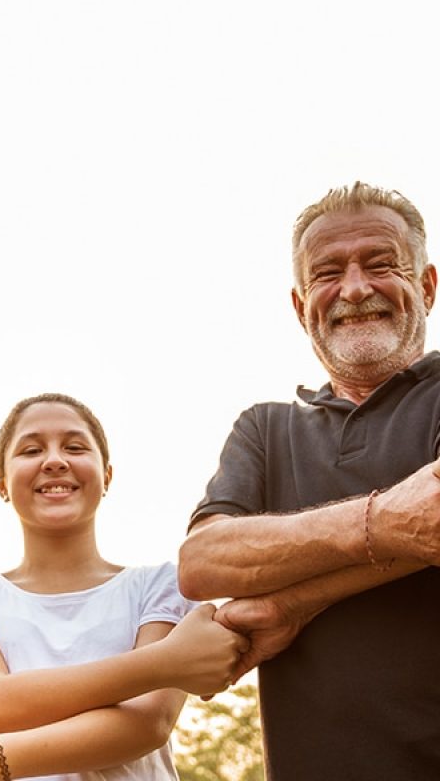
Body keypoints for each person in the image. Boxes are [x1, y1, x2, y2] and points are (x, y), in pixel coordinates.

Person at [178, 181, 440, 780]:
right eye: (327, 273)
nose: (354, 288)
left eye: (380, 264)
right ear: (301, 306)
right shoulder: (264, 429)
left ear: (425, 285)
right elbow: (203, 562)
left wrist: (291, 600)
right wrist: (384, 521)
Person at [0, 393, 247, 781]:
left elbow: (147, 725)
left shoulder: (163, 585)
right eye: (31, 449)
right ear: (0, 482)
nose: (54, 460)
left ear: (107, 475)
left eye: (74, 446)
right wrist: (166, 662)